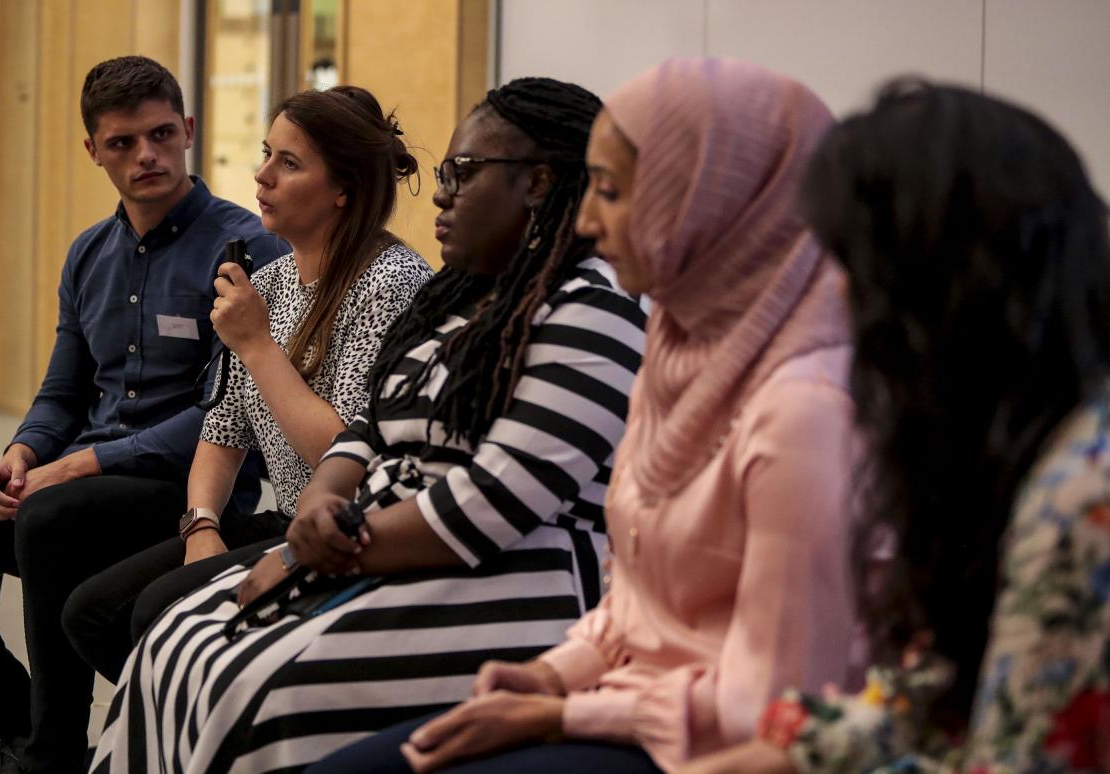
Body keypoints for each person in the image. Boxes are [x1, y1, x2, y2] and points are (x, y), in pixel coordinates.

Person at [315, 57, 861, 774]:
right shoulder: (677, 345)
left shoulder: (802, 410)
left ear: (717, 202)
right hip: (627, 691)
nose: (589, 218)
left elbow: (772, 708)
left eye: (610, 191)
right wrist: (552, 674)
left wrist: (564, 710)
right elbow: (639, 605)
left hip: (714, 741)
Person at [88, 76, 648, 774]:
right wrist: (320, 500)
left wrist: (307, 552)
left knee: (249, 685)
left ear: (537, 184)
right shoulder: (464, 297)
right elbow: (368, 427)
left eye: (464, 174)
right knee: (175, 647)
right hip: (372, 540)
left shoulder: (592, 309)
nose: (440, 194)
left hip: (506, 579)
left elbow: (496, 502)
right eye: (445, 173)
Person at [680, 82, 1110, 774]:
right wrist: (780, 757)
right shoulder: (1021, 437)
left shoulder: (1080, 491)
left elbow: (1013, 758)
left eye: (851, 263)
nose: (840, 293)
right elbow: (941, 697)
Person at [0, 56, 287, 774]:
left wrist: (82, 461)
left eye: (161, 134)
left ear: (189, 130)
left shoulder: (245, 248)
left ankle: (45, 753)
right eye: (122, 143)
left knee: (50, 518)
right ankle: (28, 728)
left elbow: (231, 407)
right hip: (73, 487)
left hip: (191, 491)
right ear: (93, 151)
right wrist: (22, 453)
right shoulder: (88, 254)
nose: (146, 155)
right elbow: (61, 394)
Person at [62, 85, 433, 683]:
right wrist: (201, 525)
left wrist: (257, 345)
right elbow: (223, 427)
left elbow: (350, 455)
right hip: (282, 517)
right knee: (91, 614)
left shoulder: (391, 282)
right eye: (266, 154)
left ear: (344, 190)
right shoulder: (275, 278)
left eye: (288, 163)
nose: (261, 176)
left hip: (347, 533)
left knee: (152, 613)